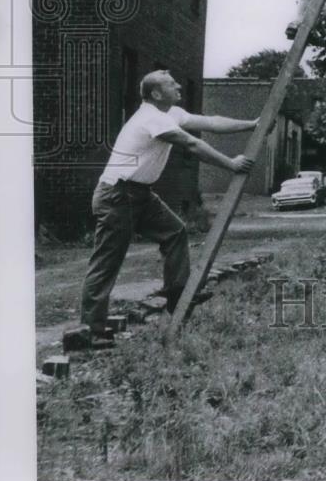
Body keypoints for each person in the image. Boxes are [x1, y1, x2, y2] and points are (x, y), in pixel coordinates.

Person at [80, 70, 257, 336]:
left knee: (175, 231)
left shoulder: (170, 113)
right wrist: (230, 164)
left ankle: (177, 294)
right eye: (171, 84)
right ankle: (91, 330)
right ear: (156, 94)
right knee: (107, 261)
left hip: (139, 193)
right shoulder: (150, 118)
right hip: (117, 195)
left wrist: (252, 124)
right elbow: (192, 144)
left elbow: (211, 122)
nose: (178, 86)